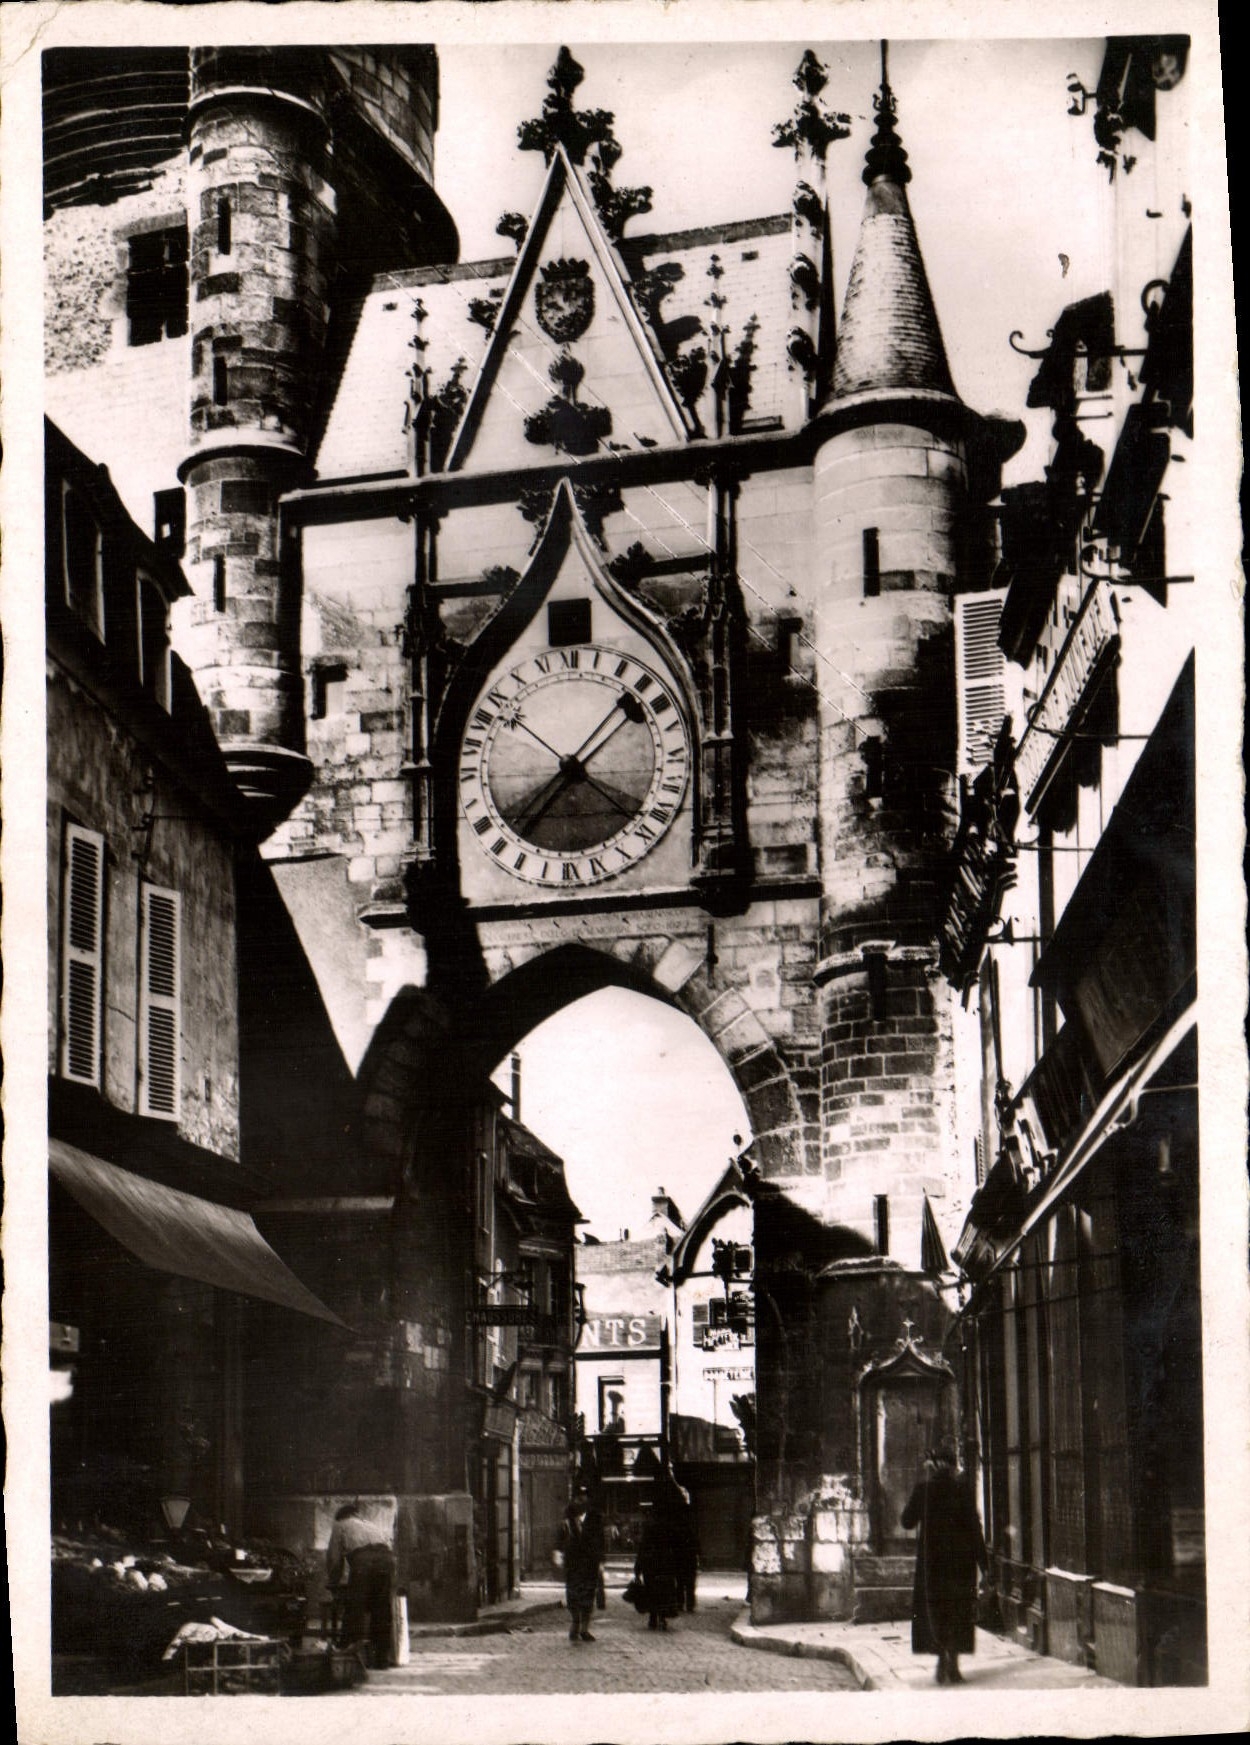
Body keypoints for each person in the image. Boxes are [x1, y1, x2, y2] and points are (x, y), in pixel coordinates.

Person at [900, 1442, 988, 1686]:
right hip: (960, 1564)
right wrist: (985, 1565)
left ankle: (941, 1661)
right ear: (953, 1466)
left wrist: (923, 1486)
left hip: (933, 1564)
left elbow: (906, 1521)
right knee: (958, 1611)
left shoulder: (923, 1490)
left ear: (934, 1465)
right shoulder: (963, 1490)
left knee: (935, 1611)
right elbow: (974, 1530)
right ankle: (954, 1665)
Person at [326, 1502, 398, 1670]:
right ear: (355, 1514)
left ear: (341, 1516)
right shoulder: (369, 1524)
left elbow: (334, 1560)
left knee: (355, 1608)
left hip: (364, 1563)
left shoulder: (340, 1525)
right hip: (387, 1561)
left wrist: (333, 1584)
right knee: (381, 1610)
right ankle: (381, 1659)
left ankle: (348, 1655)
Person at [557, 1486, 603, 1643]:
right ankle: (575, 1622)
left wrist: (601, 1561)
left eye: (583, 1498)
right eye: (577, 1498)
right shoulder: (567, 1519)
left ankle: (584, 1629)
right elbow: (560, 1537)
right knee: (573, 1595)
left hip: (590, 1563)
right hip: (573, 1563)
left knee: (588, 1595)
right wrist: (558, 1552)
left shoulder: (595, 1517)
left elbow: (601, 1540)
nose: (580, 1501)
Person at [633, 1496, 682, 1631]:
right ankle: (663, 1617)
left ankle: (653, 1617)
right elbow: (677, 1547)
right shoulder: (670, 1528)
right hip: (665, 1564)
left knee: (652, 1591)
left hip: (651, 1566)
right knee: (664, 1591)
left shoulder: (649, 1528)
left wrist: (637, 1570)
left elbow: (642, 1549)